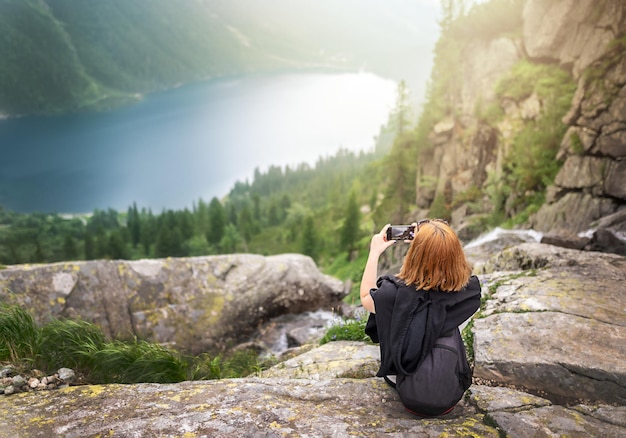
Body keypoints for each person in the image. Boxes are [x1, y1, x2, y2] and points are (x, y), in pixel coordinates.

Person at [360, 219, 481, 392]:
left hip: (406, 384)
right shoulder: (469, 293)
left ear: (414, 255)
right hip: (450, 388)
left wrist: (374, 252)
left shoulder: (393, 296)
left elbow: (366, 296)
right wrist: (436, 241)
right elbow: (449, 266)